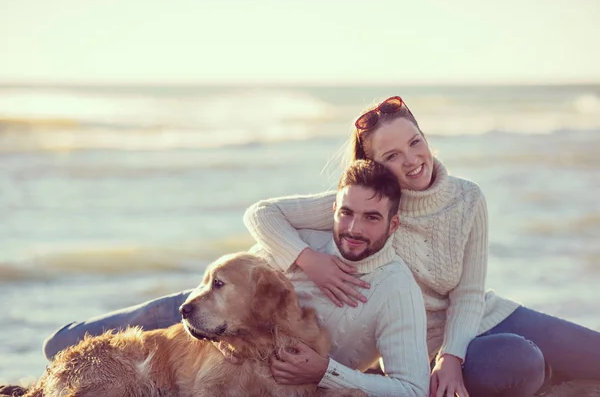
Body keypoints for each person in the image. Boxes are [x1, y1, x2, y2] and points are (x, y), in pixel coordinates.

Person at [242, 96, 600, 397]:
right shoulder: (371, 208)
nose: (412, 160)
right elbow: (262, 214)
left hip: (482, 314)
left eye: (415, 142)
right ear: (374, 166)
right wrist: (309, 260)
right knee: (522, 362)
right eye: (392, 156)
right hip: (420, 347)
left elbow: (469, 292)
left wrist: (453, 356)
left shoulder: (467, 197)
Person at [43, 159, 431, 397]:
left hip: (228, 316)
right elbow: (259, 214)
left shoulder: (397, 291)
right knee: (65, 346)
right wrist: (307, 258)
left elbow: (413, 390)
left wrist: (324, 371)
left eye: (371, 218)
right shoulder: (312, 238)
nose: (352, 228)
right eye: (345, 213)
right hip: (206, 313)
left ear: (394, 224)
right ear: (332, 209)